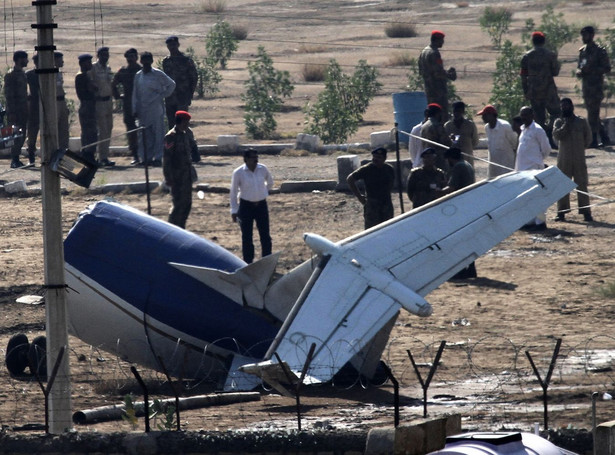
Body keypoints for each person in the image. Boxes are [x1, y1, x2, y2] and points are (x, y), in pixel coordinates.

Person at [552, 98, 593, 222]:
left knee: (582, 185)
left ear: (571, 106)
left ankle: (586, 212)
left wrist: (580, 149)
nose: (564, 108)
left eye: (567, 106)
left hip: (579, 159)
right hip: (564, 159)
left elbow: (588, 138)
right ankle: (562, 212)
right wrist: (566, 125)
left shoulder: (581, 122)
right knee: (562, 185)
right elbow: (557, 135)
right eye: (562, 106)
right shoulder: (558, 122)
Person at [230, 149, 274, 264]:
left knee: (265, 235)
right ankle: (248, 262)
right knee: (247, 236)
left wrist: (262, 193)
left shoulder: (262, 169)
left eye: (256, 157)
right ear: (246, 159)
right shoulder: (238, 172)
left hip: (261, 205)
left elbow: (270, 183)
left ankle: (267, 260)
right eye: (253, 158)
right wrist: (234, 210)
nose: (256, 160)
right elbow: (233, 192)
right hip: (246, 206)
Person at [132, 51, 176, 166]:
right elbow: (135, 94)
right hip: (143, 110)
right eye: (144, 60)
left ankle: (158, 158)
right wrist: (134, 109)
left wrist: (162, 95)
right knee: (144, 135)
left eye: (148, 60)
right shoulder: (138, 75)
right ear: (141, 61)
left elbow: (171, 84)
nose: (146, 63)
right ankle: (145, 158)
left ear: (151, 61)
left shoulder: (157, 74)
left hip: (156, 109)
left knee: (158, 134)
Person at [440, 147, 477, 278]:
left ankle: (460, 270)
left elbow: (452, 187)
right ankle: (471, 268)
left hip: (460, 206)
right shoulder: (467, 165)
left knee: (458, 239)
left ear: (451, 158)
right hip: (469, 204)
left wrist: (437, 192)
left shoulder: (458, 167)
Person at [520, 31, 561, 148]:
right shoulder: (551, 55)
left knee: (539, 117)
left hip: (534, 91)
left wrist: (526, 91)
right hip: (549, 90)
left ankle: (544, 139)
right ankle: (552, 133)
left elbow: (523, 76)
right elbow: (555, 72)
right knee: (556, 113)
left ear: (533, 41)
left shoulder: (527, 56)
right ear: (543, 41)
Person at [516, 106, 552, 231]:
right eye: (522, 115)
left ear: (532, 116)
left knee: (538, 196)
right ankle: (529, 221)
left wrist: (538, 160)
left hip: (534, 168)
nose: (523, 117)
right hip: (523, 169)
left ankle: (540, 222)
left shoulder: (538, 130)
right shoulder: (523, 129)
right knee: (526, 196)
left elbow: (546, 149)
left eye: (526, 115)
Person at [577, 25, 612, 148]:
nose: (583, 37)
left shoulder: (599, 51)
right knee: (592, 113)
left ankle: (593, 139)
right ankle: (604, 136)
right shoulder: (582, 51)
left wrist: (592, 70)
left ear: (592, 35)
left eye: (585, 35)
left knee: (593, 112)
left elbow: (607, 68)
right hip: (586, 86)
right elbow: (579, 66)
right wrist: (580, 71)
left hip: (596, 86)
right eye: (582, 35)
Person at [163, 111, 197, 229]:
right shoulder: (170, 137)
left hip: (186, 176)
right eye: (186, 122)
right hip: (176, 177)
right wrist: (168, 178)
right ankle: (172, 227)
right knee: (178, 204)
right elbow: (167, 160)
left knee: (187, 203)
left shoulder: (186, 134)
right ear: (180, 122)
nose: (187, 125)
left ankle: (181, 226)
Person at [346, 147, 395, 229]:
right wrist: (359, 197)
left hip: (386, 205)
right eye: (374, 157)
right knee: (371, 231)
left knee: (388, 229)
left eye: (379, 157)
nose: (375, 159)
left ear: (384, 158)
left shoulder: (389, 169)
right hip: (372, 206)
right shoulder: (367, 169)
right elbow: (350, 179)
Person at [162, 37, 198, 137]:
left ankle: (185, 144)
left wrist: (190, 95)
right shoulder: (166, 61)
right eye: (169, 45)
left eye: (174, 45)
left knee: (182, 124)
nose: (172, 47)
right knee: (171, 124)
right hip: (170, 98)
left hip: (182, 97)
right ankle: (173, 145)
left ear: (178, 45)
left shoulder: (186, 60)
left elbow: (194, 78)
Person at [112, 48, 142, 165]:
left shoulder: (141, 70)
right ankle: (135, 155)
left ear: (136, 57)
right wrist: (118, 96)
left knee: (144, 129)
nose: (130, 59)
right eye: (128, 57)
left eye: (132, 56)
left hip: (141, 103)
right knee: (131, 130)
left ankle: (145, 154)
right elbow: (113, 84)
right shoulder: (123, 71)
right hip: (128, 104)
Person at [418, 30, 456, 120]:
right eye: (441, 40)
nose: (443, 42)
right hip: (438, 91)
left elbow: (422, 71)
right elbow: (438, 73)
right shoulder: (434, 53)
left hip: (428, 89)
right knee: (441, 115)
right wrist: (450, 75)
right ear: (437, 40)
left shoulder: (424, 51)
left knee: (432, 114)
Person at [478, 104, 518, 179]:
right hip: (493, 163)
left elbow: (514, 142)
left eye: (485, 115)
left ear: (492, 115)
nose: (483, 118)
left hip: (506, 163)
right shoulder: (487, 127)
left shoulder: (505, 126)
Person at [4, 50, 29, 168]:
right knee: (16, 135)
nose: (27, 61)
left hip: (23, 109)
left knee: (22, 134)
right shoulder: (11, 75)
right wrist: (12, 112)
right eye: (25, 59)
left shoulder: (23, 74)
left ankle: (17, 157)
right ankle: (14, 159)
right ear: (19, 59)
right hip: (15, 110)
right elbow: (9, 95)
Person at [91, 46, 115, 167]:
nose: (105, 57)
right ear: (98, 55)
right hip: (99, 102)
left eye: (107, 55)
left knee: (109, 129)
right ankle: (101, 157)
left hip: (108, 101)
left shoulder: (108, 68)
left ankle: (105, 157)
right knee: (102, 130)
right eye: (103, 55)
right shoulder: (94, 68)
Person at [75, 53, 98, 163]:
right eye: (88, 62)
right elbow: (92, 89)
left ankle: (89, 153)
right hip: (86, 104)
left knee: (90, 131)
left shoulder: (85, 75)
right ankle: (88, 154)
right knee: (89, 131)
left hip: (89, 105)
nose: (90, 64)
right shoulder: (82, 76)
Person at [444, 101, 479, 166]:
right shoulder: (448, 126)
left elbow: (475, 142)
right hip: (453, 160)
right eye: (455, 111)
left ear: (463, 112)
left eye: (458, 111)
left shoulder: (470, 125)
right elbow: (445, 142)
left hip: (467, 158)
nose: (456, 114)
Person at [421, 103, 452, 173]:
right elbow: (446, 143)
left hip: (426, 158)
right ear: (437, 113)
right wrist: (452, 139)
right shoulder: (437, 126)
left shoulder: (424, 126)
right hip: (438, 159)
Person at [25, 54, 39, 164]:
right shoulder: (29, 74)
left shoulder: (50, 73)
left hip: (47, 105)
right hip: (34, 104)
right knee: (32, 132)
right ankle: (31, 155)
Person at [55, 51, 70, 151]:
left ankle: (64, 151)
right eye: (60, 60)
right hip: (54, 102)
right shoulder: (50, 74)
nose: (63, 62)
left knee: (64, 129)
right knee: (54, 128)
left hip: (61, 101)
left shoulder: (59, 73)